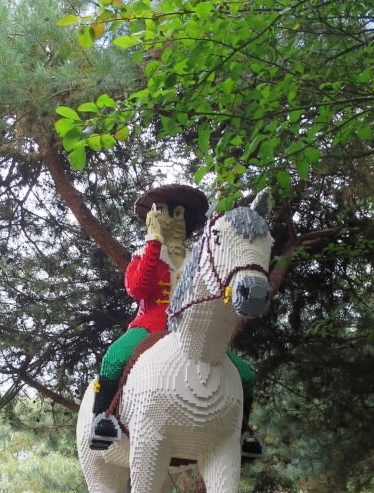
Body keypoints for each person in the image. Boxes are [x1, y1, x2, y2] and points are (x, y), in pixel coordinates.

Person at [89, 183, 264, 460]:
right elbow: (138, 289)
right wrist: (154, 242)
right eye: (168, 213)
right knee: (114, 357)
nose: (175, 220)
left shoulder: (199, 259)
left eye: (180, 214)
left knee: (244, 373)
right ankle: (103, 419)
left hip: (190, 329)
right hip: (150, 326)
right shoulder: (144, 255)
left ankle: (242, 432)